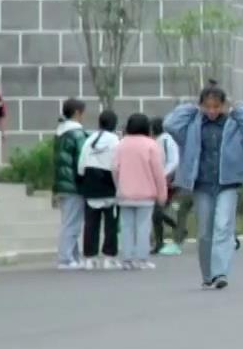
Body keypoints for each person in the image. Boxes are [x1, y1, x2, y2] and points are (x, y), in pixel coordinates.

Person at [164, 85, 243, 289]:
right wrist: (191, 108)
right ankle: (207, 274)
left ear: (223, 105)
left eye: (216, 106)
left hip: (228, 183)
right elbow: (170, 124)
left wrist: (236, 109)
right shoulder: (192, 125)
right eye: (207, 106)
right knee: (204, 232)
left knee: (223, 226)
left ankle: (220, 273)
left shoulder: (235, 124)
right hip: (202, 184)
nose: (211, 111)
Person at [113, 114, 168, 270]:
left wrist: (119, 186)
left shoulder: (121, 144)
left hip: (125, 194)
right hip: (146, 194)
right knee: (143, 227)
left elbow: (115, 168)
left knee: (126, 227)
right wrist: (162, 194)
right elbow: (158, 172)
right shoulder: (151, 145)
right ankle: (142, 259)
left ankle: (127, 259)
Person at [76, 110, 122, 270]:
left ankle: (90, 258)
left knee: (91, 224)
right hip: (109, 184)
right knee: (111, 224)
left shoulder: (90, 139)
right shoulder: (115, 141)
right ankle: (109, 257)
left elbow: (81, 165)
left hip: (91, 183)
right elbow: (117, 164)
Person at [51, 98, 88, 271]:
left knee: (68, 221)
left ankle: (73, 257)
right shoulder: (77, 134)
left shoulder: (60, 132)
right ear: (77, 113)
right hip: (74, 184)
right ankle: (65, 258)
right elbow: (82, 159)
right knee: (72, 223)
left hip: (62, 183)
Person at [152, 123, 183, 255]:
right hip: (162, 181)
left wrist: (163, 175)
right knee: (157, 212)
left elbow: (173, 161)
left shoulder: (166, 141)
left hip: (168, 181)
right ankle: (177, 229)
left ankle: (161, 242)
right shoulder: (158, 140)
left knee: (157, 212)